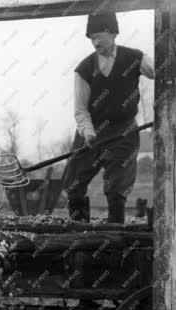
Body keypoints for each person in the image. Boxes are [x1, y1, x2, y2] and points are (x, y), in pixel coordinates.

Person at [62, 11, 154, 223]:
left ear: (112, 32)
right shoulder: (84, 69)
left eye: (98, 36)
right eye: (91, 38)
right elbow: (80, 110)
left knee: (117, 184)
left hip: (124, 131)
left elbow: (163, 72)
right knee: (74, 180)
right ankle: (78, 232)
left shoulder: (134, 58)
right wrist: (88, 133)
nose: (94, 43)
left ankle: (115, 233)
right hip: (92, 129)